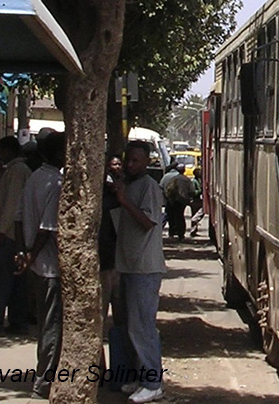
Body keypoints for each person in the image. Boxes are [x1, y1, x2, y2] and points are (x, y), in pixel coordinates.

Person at [113, 140, 166, 403]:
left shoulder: (149, 188)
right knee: (130, 326)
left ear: (147, 161)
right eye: (128, 160)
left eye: (136, 160)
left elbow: (147, 222)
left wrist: (124, 201)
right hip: (128, 265)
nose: (130, 165)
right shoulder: (130, 184)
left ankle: (153, 382)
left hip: (144, 268)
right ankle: (141, 375)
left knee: (142, 327)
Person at [14, 131, 65, 399]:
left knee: (46, 325)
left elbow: (20, 219)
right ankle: (43, 382)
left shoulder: (34, 178)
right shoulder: (56, 183)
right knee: (52, 326)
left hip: (37, 265)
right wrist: (32, 254)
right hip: (49, 267)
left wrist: (24, 252)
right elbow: (47, 227)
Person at [0, 136, 31, 334]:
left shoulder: (18, 171)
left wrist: (1, 231)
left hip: (9, 235)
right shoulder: (13, 171)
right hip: (13, 235)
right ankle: (16, 321)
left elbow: (12, 205)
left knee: (4, 281)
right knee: (15, 282)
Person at [99, 153, 123, 334]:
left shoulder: (117, 196)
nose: (117, 167)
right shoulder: (110, 200)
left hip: (114, 259)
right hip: (107, 259)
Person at [162, 163, 193, 241]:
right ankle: (181, 234)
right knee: (180, 217)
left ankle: (171, 233)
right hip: (182, 201)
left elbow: (167, 188)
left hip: (172, 200)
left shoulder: (174, 179)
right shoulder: (187, 180)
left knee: (171, 217)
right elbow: (191, 190)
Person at [189, 167, 204, 237]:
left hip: (198, 200)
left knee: (198, 213)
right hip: (195, 201)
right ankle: (193, 230)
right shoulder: (194, 181)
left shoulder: (199, 180)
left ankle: (194, 230)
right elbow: (193, 192)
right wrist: (200, 191)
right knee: (196, 215)